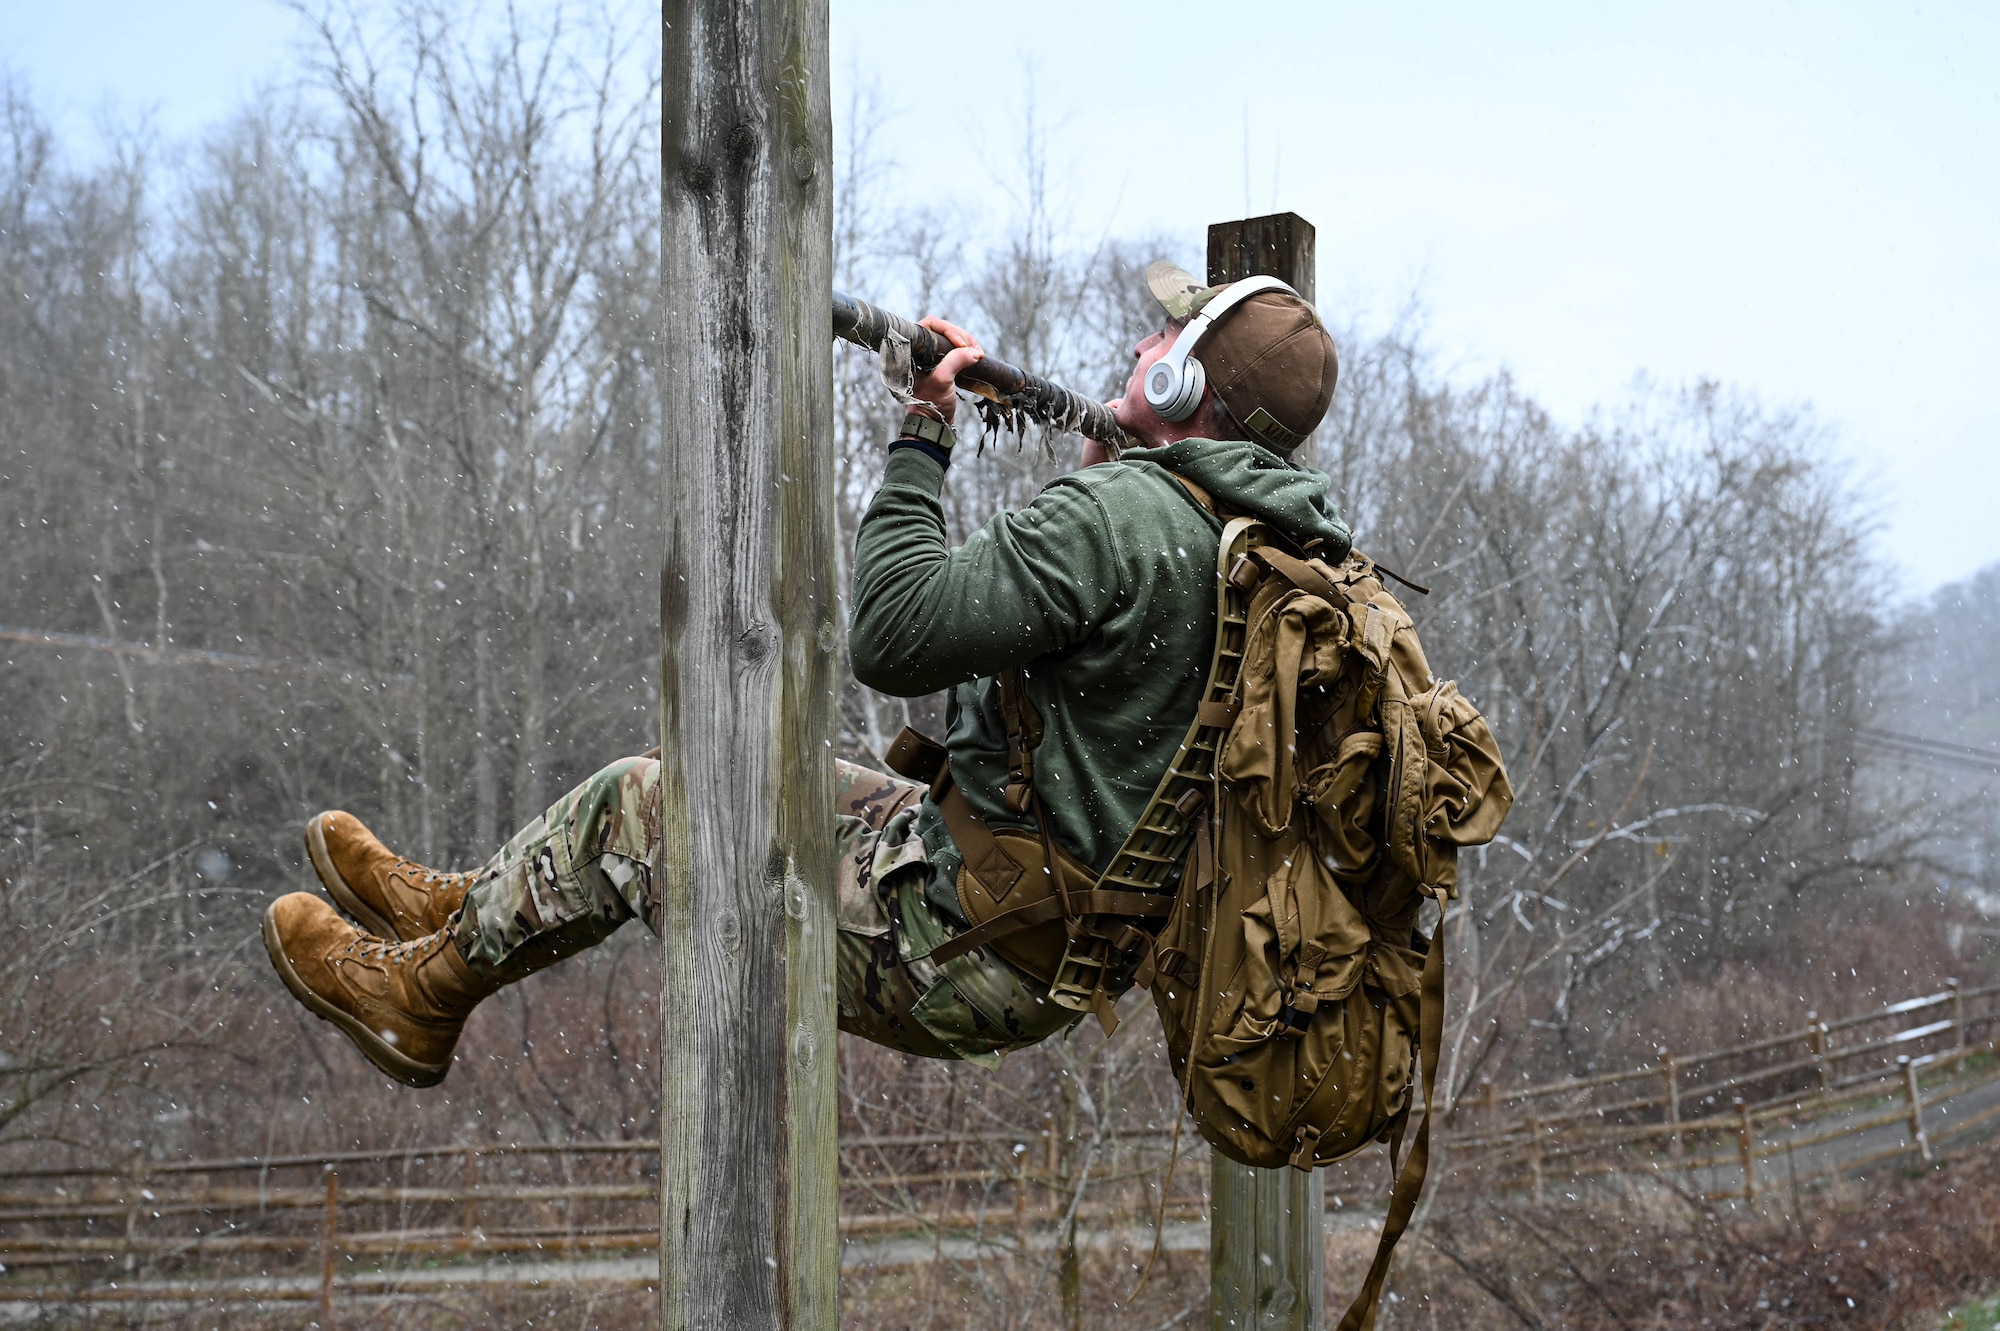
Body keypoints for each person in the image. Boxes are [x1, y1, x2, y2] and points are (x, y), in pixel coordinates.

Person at [260, 262, 1349, 1087]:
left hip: (954, 940)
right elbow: (1121, 637)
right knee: (714, 767)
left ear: (1181, 374)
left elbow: (892, 629)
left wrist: (921, 430)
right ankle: (460, 911)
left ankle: (423, 994)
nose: (1141, 335)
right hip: (1045, 937)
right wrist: (1110, 454)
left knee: (646, 808)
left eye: (1165, 331)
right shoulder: (1266, 545)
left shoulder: (1122, 520)